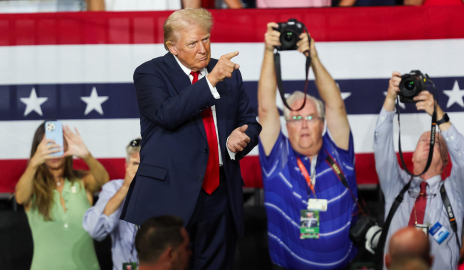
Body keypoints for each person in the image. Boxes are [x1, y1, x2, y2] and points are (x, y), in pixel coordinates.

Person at [120, 8, 261, 270]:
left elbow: (250, 123)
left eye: (205, 39)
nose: (203, 49)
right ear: (172, 47)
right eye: (193, 43)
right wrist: (211, 80)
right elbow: (167, 114)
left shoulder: (230, 74)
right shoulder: (150, 74)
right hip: (169, 193)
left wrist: (239, 139)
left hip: (220, 195)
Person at [258, 22, 358, 270]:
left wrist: (312, 56)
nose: (303, 125)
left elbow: (336, 106)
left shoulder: (340, 154)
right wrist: (269, 51)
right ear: (286, 125)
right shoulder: (276, 158)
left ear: (323, 123)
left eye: (310, 117)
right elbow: (266, 108)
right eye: (295, 118)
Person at [374, 72, 464, 270]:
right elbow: (381, 144)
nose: (428, 141)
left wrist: (438, 114)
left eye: (434, 140)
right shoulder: (395, 186)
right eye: (422, 140)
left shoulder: (455, 190)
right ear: (412, 157)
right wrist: (390, 98)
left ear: (447, 160)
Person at [15, 122, 109, 270]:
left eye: (58, 143)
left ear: (67, 146)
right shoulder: (32, 187)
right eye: (47, 145)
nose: (54, 151)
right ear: (38, 149)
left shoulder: (82, 182)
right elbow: (20, 197)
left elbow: (104, 181)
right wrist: (34, 163)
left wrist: (86, 155)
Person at [83, 138, 141, 270]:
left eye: (145, 165)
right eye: (136, 164)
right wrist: (126, 187)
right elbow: (95, 229)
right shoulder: (114, 188)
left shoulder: (164, 191)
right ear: (127, 166)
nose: (140, 170)